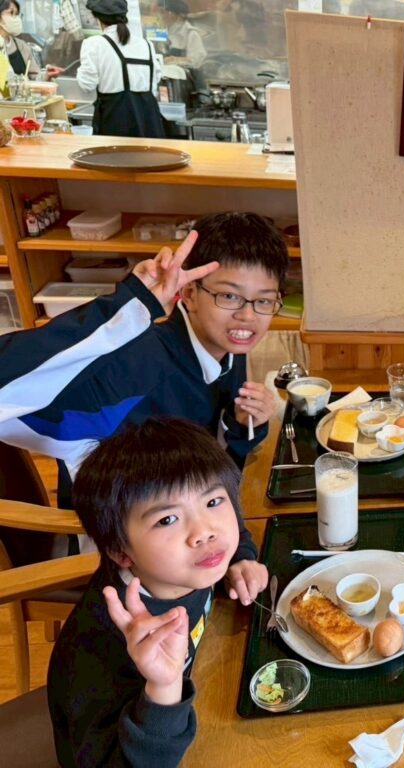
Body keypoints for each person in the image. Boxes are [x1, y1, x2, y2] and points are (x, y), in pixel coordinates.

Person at [0, 211, 287, 605]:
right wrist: (129, 304)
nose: (247, 316)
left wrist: (242, 426)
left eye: (264, 301)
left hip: (193, 535)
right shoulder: (129, 366)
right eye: (229, 296)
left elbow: (209, 471)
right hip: (124, 568)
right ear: (189, 294)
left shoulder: (225, 347)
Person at [47, 418, 255, 767]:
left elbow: (235, 532)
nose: (205, 532)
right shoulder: (98, 648)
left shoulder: (185, 566)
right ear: (120, 552)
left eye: (213, 501)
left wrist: (241, 561)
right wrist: (163, 689)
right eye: (167, 520)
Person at [77, 0, 164, 138]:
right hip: (149, 123)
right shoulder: (147, 44)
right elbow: (155, 82)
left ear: (96, 18)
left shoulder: (93, 44)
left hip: (115, 122)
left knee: (118, 153)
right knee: (149, 152)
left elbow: (87, 85)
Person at [0, 0, 62, 81]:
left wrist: (47, 75)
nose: (16, 18)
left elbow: (34, 77)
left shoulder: (22, 46)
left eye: (17, 14)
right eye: (11, 13)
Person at [161, 0, 205, 69]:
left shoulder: (191, 34)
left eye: (168, 13)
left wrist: (174, 59)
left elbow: (196, 60)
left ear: (180, 16)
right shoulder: (164, 32)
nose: (163, 16)